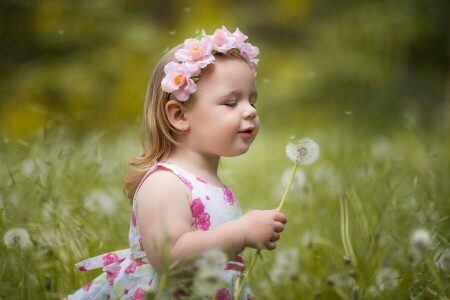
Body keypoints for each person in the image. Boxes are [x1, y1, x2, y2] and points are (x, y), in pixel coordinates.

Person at [64, 26, 287, 300]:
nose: (251, 110)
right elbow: (170, 260)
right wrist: (240, 233)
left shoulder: (210, 183)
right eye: (231, 102)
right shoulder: (164, 183)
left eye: (251, 100)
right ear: (180, 115)